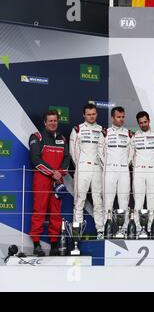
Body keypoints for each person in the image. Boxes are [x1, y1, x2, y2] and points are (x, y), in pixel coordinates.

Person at [29, 110, 70, 256]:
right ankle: (36, 244)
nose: (53, 123)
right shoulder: (37, 137)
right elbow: (35, 160)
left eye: (55, 121)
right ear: (45, 123)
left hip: (57, 180)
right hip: (42, 179)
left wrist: (60, 173)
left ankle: (54, 245)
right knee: (39, 211)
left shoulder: (62, 139)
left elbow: (66, 158)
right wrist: (53, 172)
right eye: (50, 121)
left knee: (56, 213)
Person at [70, 103, 105, 239]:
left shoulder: (102, 130)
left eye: (94, 114)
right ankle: (77, 232)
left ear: (96, 114)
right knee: (79, 200)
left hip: (98, 168)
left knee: (98, 200)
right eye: (89, 114)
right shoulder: (77, 129)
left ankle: (100, 231)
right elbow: (73, 151)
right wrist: (80, 164)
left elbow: (103, 151)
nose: (91, 117)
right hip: (82, 167)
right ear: (84, 115)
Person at [130, 111, 154, 222]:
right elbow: (130, 154)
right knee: (138, 200)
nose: (143, 124)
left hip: (152, 170)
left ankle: (152, 226)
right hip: (139, 171)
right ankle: (137, 226)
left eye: (145, 122)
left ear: (149, 121)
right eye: (140, 123)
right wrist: (136, 166)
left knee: (152, 200)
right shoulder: (134, 136)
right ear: (138, 123)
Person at [98, 106, 132, 222]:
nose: (121, 119)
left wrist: (125, 164)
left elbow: (131, 152)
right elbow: (100, 151)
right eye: (118, 117)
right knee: (108, 200)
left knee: (124, 200)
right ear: (112, 118)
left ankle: (124, 229)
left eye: (123, 117)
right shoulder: (105, 132)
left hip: (123, 170)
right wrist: (106, 166)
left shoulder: (129, 134)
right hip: (109, 170)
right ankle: (106, 229)